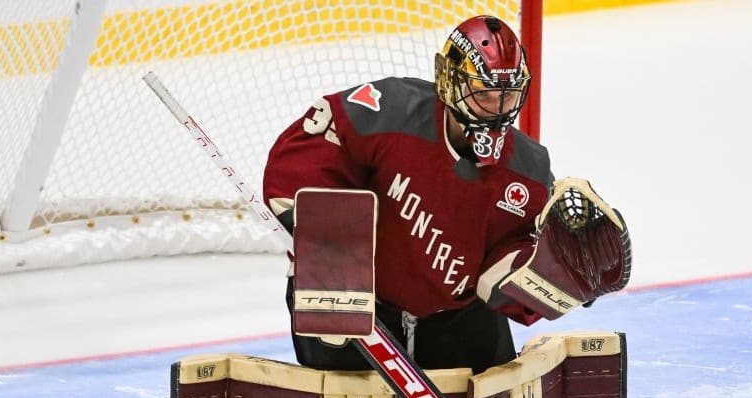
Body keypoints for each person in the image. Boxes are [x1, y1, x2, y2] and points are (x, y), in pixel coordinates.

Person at [262, 15, 630, 374]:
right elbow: (317, 140)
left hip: (453, 316)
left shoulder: (529, 172)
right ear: (449, 80)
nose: (498, 109)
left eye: (508, 95)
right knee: (333, 317)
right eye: (484, 94)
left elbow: (505, 270)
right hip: (364, 302)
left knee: (489, 386)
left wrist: (561, 276)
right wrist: (311, 217)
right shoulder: (390, 110)